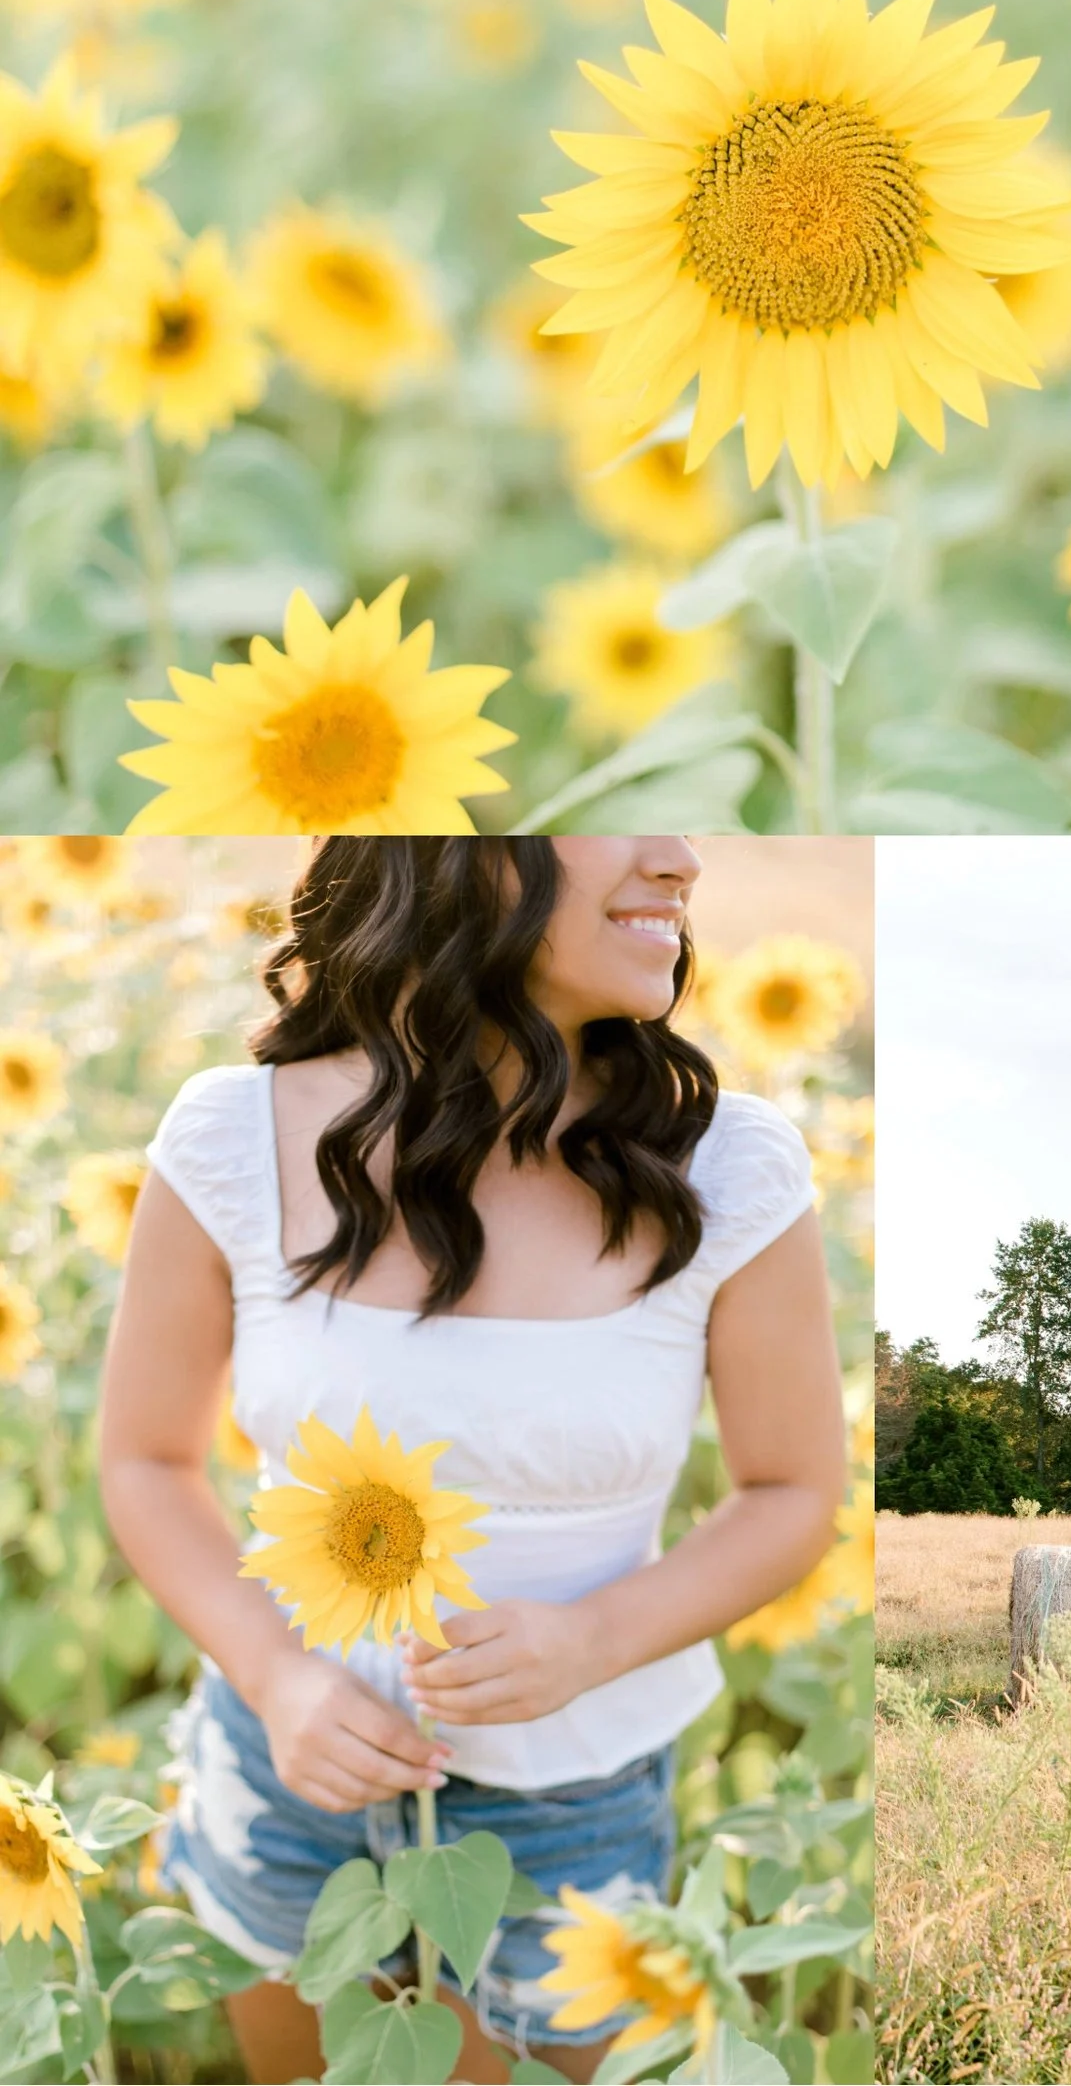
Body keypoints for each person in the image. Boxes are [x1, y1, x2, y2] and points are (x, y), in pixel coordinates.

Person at [97, 837, 847, 2084]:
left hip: (574, 1799)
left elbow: (794, 1494)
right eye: (625, 818)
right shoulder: (235, 1135)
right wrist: (279, 1679)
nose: (682, 858)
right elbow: (143, 1459)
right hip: (289, 1772)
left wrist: (592, 1639)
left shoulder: (731, 1163)